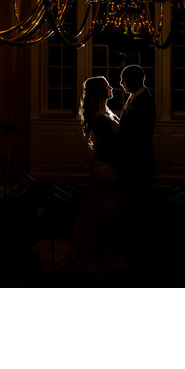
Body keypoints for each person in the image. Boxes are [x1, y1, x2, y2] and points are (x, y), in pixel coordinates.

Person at [70, 76, 123, 271]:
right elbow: (110, 147)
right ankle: (96, 254)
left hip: (107, 164)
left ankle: (104, 252)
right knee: (104, 213)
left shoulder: (104, 112)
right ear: (100, 92)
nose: (111, 87)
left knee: (106, 212)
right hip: (105, 167)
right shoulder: (100, 118)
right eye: (106, 85)